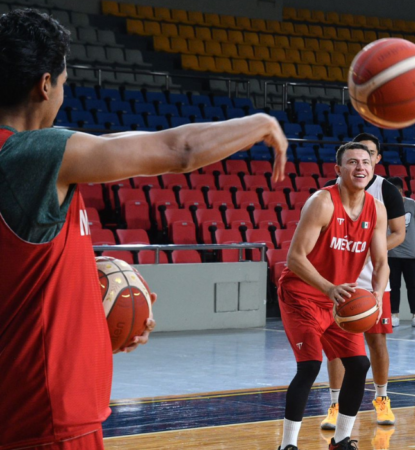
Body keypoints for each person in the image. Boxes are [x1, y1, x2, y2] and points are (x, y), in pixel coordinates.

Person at [0, 10, 288, 450]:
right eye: (63, 80)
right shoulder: (34, 155)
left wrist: (86, 286)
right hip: (49, 417)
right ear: (45, 85)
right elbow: (180, 149)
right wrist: (262, 124)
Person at [277, 142, 389, 450]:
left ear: (373, 167)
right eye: (352, 162)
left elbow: (381, 263)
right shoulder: (322, 202)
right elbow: (295, 258)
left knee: (358, 365)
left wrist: (377, 296)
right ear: (337, 170)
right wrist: (328, 287)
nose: (360, 167)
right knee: (310, 365)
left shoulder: (376, 209)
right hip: (301, 294)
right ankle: (288, 445)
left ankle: (341, 441)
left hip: (339, 302)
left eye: (365, 162)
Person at [321, 133, 405, 430]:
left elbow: (399, 233)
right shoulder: (328, 195)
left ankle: (381, 399)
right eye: (356, 158)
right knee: (335, 346)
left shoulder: (387, 191)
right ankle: (334, 404)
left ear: (376, 160)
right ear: (344, 164)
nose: (362, 163)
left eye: (368, 156)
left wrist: (370, 251)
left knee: (377, 341)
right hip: (338, 278)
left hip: (373, 278)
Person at [385, 176, 415, 328]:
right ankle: (394, 315)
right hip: (392, 254)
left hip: (411, 255)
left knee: (413, 286)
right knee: (394, 286)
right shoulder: (385, 205)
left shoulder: (412, 205)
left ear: (401, 191)